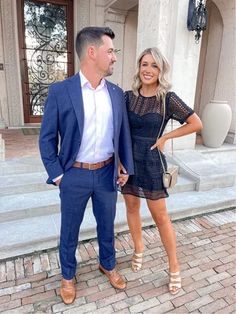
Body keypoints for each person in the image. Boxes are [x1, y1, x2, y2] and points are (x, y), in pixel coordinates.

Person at [39, 26, 134, 305]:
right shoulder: (60, 91)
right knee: (69, 229)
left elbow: (122, 133)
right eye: (110, 51)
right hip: (73, 175)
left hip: (106, 173)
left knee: (107, 225)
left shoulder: (116, 93)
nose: (114, 57)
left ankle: (108, 264)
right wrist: (58, 175)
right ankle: (68, 275)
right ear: (92, 52)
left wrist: (123, 165)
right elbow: (46, 139)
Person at [120, 47, 203, 295]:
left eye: (154, 65)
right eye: (144, 64)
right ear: (139, 67)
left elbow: (196, 123)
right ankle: (138, 248)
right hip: (128, 161)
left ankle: (174, 266)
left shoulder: (168, 99)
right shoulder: (127, 97)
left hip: (152, 161)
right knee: (131, 207)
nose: (148, 69)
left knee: (161, 217)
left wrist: (167, 136)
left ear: (161, 70)